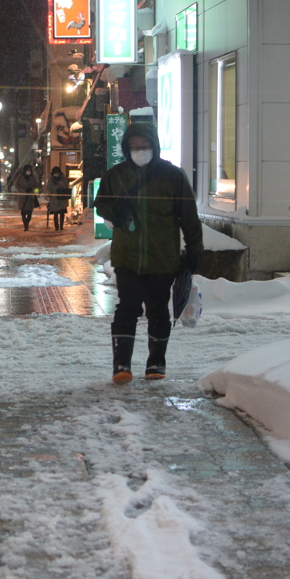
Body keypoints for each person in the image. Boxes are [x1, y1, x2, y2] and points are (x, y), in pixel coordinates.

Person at [93, 122, 202, 384]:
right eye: (134, 147)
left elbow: (189, 217)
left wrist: (194, 251)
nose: (139, 151)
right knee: (126, 308)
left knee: (158, 309)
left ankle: (156, 363)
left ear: (154, 145)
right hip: (127, 256)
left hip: (162, 257)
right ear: (126, 148)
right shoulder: (116, 175)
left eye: (144, 146)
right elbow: (101, 204)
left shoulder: (172, 176)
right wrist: (116, 211)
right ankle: (121, 365)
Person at [13, 164, 40, 231]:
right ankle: (26, 226)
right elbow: (16, 186)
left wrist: (33, 190)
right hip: (23, 198)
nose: (28, 172)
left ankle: (27, 223)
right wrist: (23, 190)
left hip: (30, 198)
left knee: (29, 213)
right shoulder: (20, 177)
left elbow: (36, 187)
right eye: (27, 170)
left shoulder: (33, 178)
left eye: (30, 170)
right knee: (23, 212)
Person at [45, 166, 71, 231]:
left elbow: (65, 186)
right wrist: (49, 193)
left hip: (61, 198)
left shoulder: (62, 177)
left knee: (62, 212)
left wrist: (60, 182)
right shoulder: (51, 178)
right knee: (55, 213)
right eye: (55, 173)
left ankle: (61, 226)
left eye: (57, 172)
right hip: (54, 198)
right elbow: (49, 187)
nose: (56, 174)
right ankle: (56, 227)